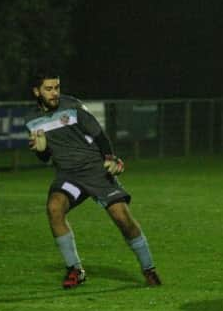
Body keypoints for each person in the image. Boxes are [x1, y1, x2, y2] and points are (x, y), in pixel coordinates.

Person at [25, 72, 161, 288]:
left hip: (95, 171)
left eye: (57, 87)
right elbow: (45, 155)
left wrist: (110, 157)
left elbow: (99, 135)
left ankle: (149, 269)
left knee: (122, 218)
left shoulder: (72, 106)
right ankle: (75, 270)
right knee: (54, 208)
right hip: (69, 176)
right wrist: (40, 151)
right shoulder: (31, 120)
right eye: (48, 89)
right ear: (36, 92)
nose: (54, 93)